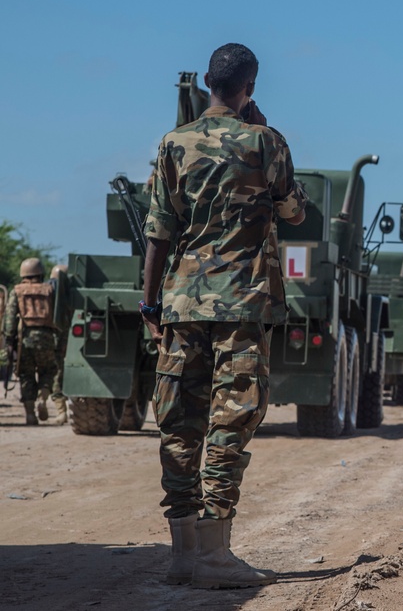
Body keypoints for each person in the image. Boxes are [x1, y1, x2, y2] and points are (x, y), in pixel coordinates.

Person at [141, 43, 307, 589]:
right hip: (241, 304)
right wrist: (265, 131)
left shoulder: (173, 143)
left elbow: (159, 230)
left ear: (209, 82)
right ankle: (214, 555)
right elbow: (293, 209)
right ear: (249, 88)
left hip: (181, 301)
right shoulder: (265, 142)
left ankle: (182, 556)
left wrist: (150, 303)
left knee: (178, 421)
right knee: (230, 423)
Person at [2, 258, 60, 425]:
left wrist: (9, 338)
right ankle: (42, 396)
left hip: (24, 340)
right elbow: (57, 316)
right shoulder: (50, 290)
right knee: (48, 371)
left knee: (26, 375)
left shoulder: (17, 291)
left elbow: (10, 318)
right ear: (41, 273)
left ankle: (30, 415)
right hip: (47, 338)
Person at [42, 264, 70, 425]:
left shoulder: (44, 290)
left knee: (45, 370)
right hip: (64, 339)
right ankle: (61, 411)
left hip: (45, 336)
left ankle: (41, 397)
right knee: (58, 372)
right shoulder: (71, 292)